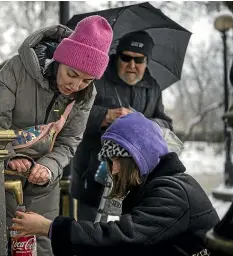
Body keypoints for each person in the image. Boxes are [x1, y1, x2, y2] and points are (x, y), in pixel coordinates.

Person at [0, 16, 113, 255]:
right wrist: (10, 156)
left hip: (44, 183)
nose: (76, 85)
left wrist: (49, 167)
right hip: (2, 173)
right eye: (71, 74)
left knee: (43, 243)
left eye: (87, 80)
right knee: (1, 241)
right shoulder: (17, 70)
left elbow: (69, 142)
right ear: (60, 59)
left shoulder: (86, 95)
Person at [10, 112, 219, 256]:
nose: (115, 169)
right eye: (110, 162)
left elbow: (123, 239)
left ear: (142, 156)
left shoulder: (172, 192)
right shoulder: (157, 186)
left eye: (120, 160)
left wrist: (50, 227)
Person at [71, 30, 174, 221]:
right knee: (88, 233)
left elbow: (166, 124)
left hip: (136, 178)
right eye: (126, 58)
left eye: (139, 60)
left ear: (147, 61)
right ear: (117, 56)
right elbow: (72, 113)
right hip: (93, 172)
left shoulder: (153, 87)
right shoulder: (95, 77)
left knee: (130, 234)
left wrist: (141, 122)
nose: (132, 65)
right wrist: (104, 115)